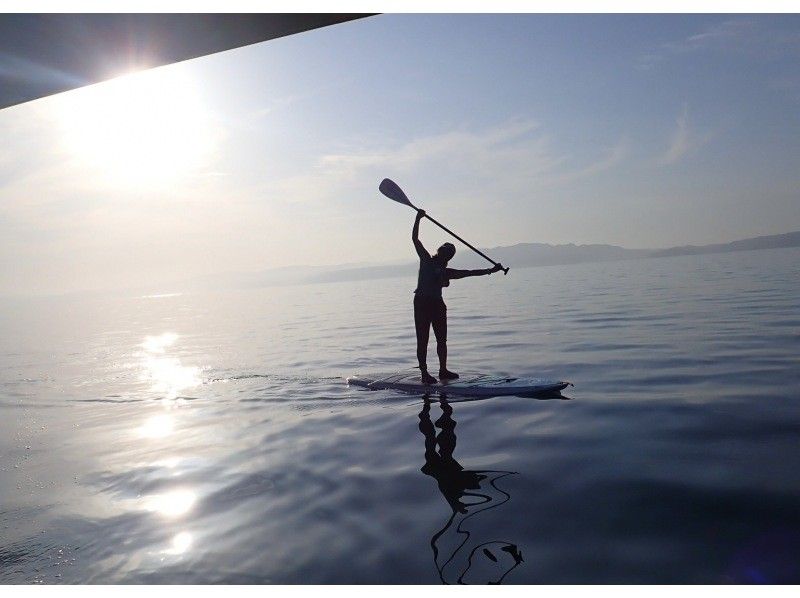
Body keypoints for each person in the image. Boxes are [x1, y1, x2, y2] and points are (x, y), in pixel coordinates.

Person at [412, 209, 504, 384]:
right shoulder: (426, 261)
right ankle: (424, 373)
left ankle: (443, 370)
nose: (446, 254)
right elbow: (415, 240)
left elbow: (469, 273)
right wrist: (418, 219)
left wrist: (491, 270)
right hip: (422, 303)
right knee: (422, 339)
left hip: (437, 304)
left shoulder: (447, 273)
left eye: (449, 252)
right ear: (440, 252)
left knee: (442, 339)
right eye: (445, 250)